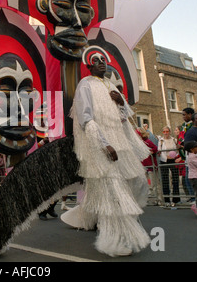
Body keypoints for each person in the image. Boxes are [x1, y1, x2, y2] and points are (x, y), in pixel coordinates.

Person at [68, 53, 151, 257]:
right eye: (96, 60)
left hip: (120, 144)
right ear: (89, 65)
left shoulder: (110, 85)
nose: (102, 63)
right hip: (100, 146)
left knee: (138, 180)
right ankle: (113, 241)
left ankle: (87, 217)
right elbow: (85, 118)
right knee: (113, 194)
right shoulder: (85, 85)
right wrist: (104, 144)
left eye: (104, 60)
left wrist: (121, 102)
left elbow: (123, 119)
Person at [157, 126, 181, 206]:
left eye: (167, 131)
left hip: (173, 160)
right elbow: (159, 151)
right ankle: (166, 199)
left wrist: (176, 156)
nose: (166, 133)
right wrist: (164, 155)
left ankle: (176, 199)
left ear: (169, 132)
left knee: (175, 179)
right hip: (164, 161)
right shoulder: (161, 141)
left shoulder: (174, 140)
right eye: (164, 131)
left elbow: (178, 150)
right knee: (165, 180)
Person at [137, 128, 160, 204]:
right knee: (148, 184)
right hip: (144, 165)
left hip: (151, 165)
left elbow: (155, 148)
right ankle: (152, 198)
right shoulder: (141, 143)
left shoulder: (147, 142)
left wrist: (150, 152)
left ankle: (157, 199)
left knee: (154, 183)